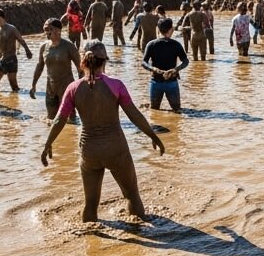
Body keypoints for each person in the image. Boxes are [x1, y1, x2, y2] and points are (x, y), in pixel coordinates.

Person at [41, 41, 165, 222]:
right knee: (131, 195)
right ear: (105, 60)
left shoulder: (73, 88)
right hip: (116, 149)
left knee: (90, 204)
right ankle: (139, 229)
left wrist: (47, 144)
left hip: (89, 151)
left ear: (82, 61)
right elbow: (134, 115)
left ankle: (90, 236)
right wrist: (153, 136)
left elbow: (59, 119)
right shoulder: (116, 85)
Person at [29, 18, 82, 120]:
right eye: (45, 29)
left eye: (49, 29)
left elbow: (80, 68)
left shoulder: (69, 46)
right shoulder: (43, 47)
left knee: (71, 120)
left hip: (66, 88)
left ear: (58, 30)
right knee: (51, 119)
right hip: (51, 89)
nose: (47, 32)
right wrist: (33, 85)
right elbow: (40, 66)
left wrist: (82, 88)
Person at [142, 17, 189, 112]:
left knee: (154, 111)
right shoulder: (176, 44)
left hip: (156, 82)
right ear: (171, 29)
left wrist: (153, 69)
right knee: (177, 110)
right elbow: (185, 61)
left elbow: (144, 62)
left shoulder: (151, 44)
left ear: (158, 29)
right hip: (171, 82)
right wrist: (175, 69)